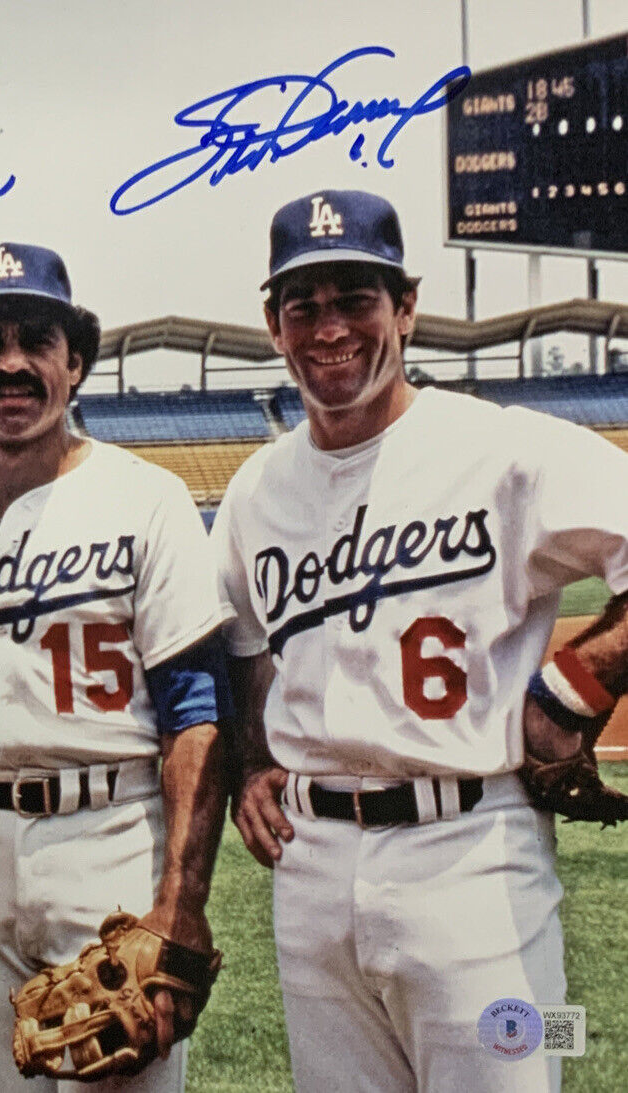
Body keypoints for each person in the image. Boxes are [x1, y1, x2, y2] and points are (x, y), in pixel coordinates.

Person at [216, 188, 628, 1093]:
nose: (329, 328)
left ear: (404, 309)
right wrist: (251, 759)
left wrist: (572, 688)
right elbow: (239, 643)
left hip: (474, 855)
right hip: (312, 869)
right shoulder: (254, 492)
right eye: (304, 306)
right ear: (273, 326)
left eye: (354, 299)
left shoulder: (501, 450)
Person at [0, 242, 232, 1092]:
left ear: (74, 364)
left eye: (37, 339)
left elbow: (195, 706)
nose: (11, 362)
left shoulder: (145, 497)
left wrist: (179, 904)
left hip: (113, 837)